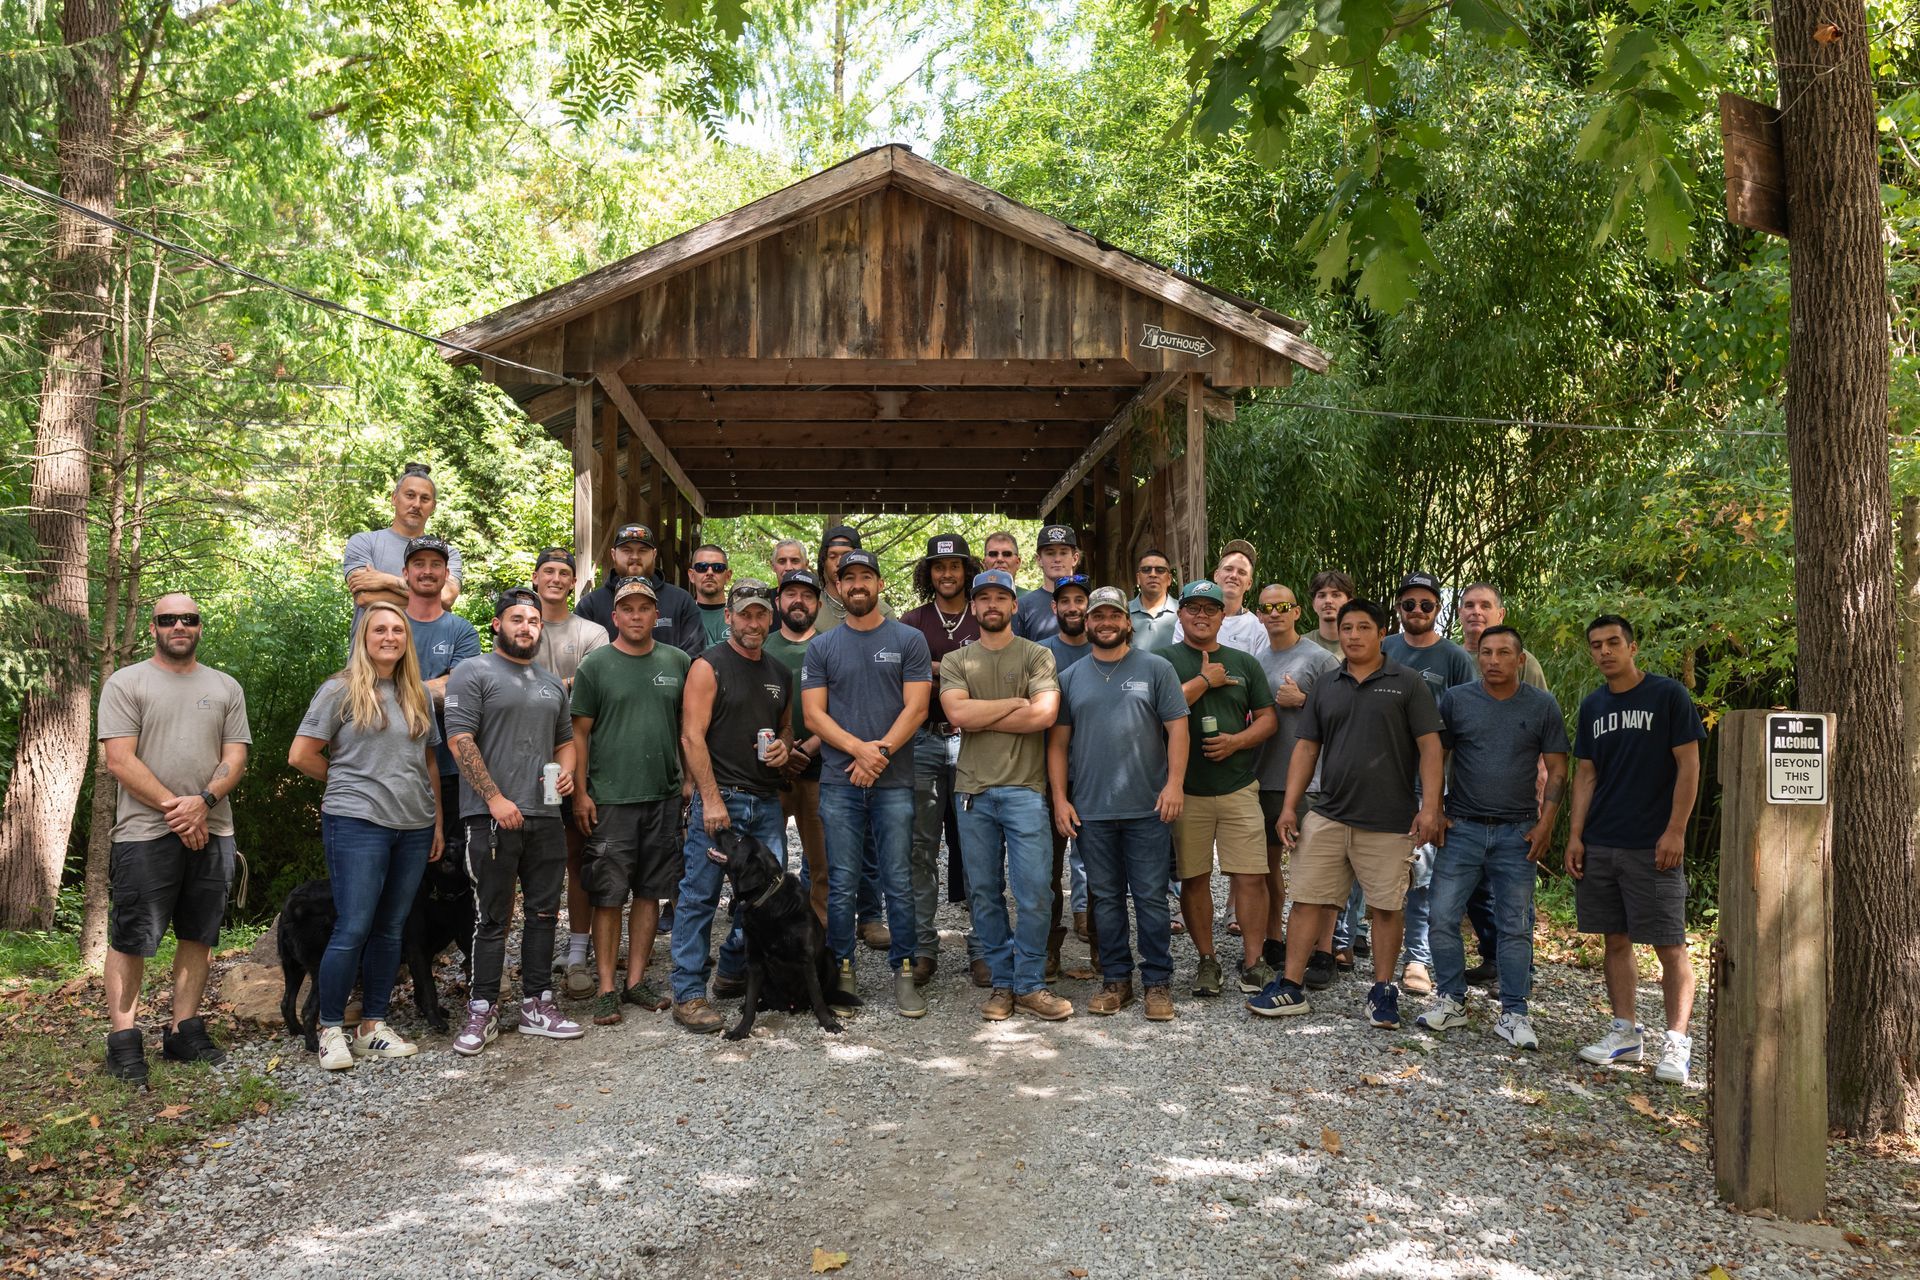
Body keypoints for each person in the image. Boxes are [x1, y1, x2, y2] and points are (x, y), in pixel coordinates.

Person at [1251, 599, 1444, 1031]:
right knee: (1307, 900)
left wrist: (1430, 807)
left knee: (1385, 907)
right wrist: (1288, 807)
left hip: (1389, 820)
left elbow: (1431, 747)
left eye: (1363, 627)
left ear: (1381, 633)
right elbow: (1306, 747)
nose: (1354, 635)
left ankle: (1382, 991)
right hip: (1328, 812)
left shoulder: (1408, 683)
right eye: (1347, 627)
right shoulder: (1326, 683)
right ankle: (1291, 985)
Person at [98, 594, 251, 1084]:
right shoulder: (127, 682)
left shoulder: (225, 686)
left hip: (214, 826)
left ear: (200, 627)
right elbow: (119, 760)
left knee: (198, 932)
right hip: (145, 833)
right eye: (168, 619)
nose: (179, 625)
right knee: (133, 936)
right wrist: (179, 809)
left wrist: (202, 802)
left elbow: (235, 757)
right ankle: (123, 1041)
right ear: (153, 628)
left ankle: (183, 1030)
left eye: (189, 618)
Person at [289, 602, 444, 1069]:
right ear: (364, 637)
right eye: (380, 629)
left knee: (391, 927)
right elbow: (302, 754)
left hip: (413, 825)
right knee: (353, 925)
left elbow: (430, 762)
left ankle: (373, 1025)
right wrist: (346, 780)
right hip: (357, 822)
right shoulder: (340, 690)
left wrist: (436, 821)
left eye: (398, 629)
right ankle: (330, 1028)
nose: (390, 636)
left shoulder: (415, 693)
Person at [444, 588, 584, 1055]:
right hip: (491, 817)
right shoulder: (474, 671)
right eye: (517, 619)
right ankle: (482, 1010)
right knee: (492, 917)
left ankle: (537, 1005)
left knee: (545, 914)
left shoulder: (549, 683)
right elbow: (460, 740)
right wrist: (495, 799)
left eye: (534, 621)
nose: (526, 627)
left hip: (545, 814)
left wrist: (566, 770)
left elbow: (565, 740)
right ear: (497, 625)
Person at [1415, 625, 1569, 1049]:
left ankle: (1515, 1013)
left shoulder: (1541, 705)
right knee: (1443, 915)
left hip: (1517, 832)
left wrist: (1547, 823)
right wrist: (1435, 808)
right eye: (1486, 652)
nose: (1493, 660)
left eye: (1504, 653)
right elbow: (1436, 755)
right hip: (1462, 827)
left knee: (1515, 925)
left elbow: (1558, 769)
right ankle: (1451, 1000)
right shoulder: (1458, 699)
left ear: (1520, 660)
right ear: (1477, 656)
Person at [1566, 614, 1705, 1085]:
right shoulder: (1592, 706)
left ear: (1632, 647)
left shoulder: (1667, 696)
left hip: (1653, 842)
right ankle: (1625, 1031)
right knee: (1615, 938)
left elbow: (1688, 766)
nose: (1604, 651)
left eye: (1613, 643)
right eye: (1596, 645)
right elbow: (1586, 775)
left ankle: (1677, 1042)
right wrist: (1575, 834)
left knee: (1670, 945)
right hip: (1603, 840)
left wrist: (1676, 830)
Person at [801, 549, 932, 1018]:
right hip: (840, 781)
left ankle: (904, 972)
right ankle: (842, 971)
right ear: (836, 588)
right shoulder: (822, 646)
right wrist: (860, 751)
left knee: (898, 879)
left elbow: (916, 708)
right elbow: (814, 713)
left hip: (893, 781)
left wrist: (878, 755)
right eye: (847, 578)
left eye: (865, 577)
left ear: (879, 584)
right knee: (841, 882)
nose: (857, 585)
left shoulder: (909, 639)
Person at [1049, 586, 1187, 1021]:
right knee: (1103, 898)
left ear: (1127, 621)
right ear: (1086, 623)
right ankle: (1116, 980)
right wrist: (1059, 799)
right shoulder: (1070, 677)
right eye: (1097, 616)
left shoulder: (1156, 668)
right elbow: (1057, 745)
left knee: (1149, 896)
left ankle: (1158, 983)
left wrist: (1175, 786)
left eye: (1113, 615)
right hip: (1091, 809)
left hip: (1148, 807)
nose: (1105, 622)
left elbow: (1178, 731)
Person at [940, 569, 1066, 1020]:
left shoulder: (1037, 655)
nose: (992, 605)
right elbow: (955, 712)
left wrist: (981, 715)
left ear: (1015, 605)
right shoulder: (958, 660)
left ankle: (1030, 983)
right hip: (972, 791)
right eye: (983, 598)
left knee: (1035, 892)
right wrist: (1015, 704)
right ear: (973, 607)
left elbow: (1044, 715)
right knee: (984, 892)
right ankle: (1002, 983)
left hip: (1026, 791)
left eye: (1001, 597)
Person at [670, 581, 795, 1034]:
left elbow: (784, 730)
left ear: (771, 618)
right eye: (745, 615)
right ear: (729, 616)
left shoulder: (780, 672)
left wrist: (783, 748)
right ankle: (687, 992)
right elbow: (691, 737)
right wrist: (710, 798)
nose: (753, 623)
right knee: (700, 895)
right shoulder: (708, 666)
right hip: (721, 800)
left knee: (766, 898)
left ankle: (732, 970)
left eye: (761, 614)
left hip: (765, 801)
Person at [571, 578, 691, 1026]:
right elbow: (578, 733)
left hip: (662, 796)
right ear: (615, 616)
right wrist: (581, 792)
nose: (637, 615)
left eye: (645, 608)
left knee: (650, 893)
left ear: (655, 615)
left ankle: (635, 980)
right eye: (628, 608)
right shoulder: (595, 666)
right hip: (610, 799)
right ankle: (606, 987)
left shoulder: (677, 661)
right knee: (607, 894)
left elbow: (687, 726)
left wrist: (689, 779)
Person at [1156, 580, 1276, 997]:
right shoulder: (1162, 661)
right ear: (1181, 614)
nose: (1202, 615)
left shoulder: (1245, 662)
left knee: (1251, 876)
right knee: (1194, 876)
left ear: (1223, 616)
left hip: (1238, 785)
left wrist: (1237, 742)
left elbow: (1267, 718)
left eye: (1211, 608)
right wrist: (1205, 681)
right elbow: (1152, 713)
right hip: (1186, 789)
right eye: (1193, 608)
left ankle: (1253, 960)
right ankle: (1207, 960)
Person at [1382, 571, 1481, 997]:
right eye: (1409, 604)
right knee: (1365, 863)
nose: (1417, 611)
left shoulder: (1455, 657)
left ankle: (1417, 959)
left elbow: (1464, 719)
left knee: (1422, 871)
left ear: (1438, 609)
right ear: (1399, 608)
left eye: (1426, 604)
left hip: (1429, 779)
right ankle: (1343, 943)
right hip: (1380, 773)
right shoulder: (1384, 647)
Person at [900, 535, 981, 986]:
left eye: (954, 566)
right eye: (938, 567)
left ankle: (983, 949)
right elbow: (904, 676)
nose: (946, 574)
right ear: (928, 573)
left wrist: (934, 667)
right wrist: (959, 666)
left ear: (966, 569)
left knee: (978, 849)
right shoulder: (912, 622)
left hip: (975, 741)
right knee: (921, 849)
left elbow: (995, 669)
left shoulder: (985, 613)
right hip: (924, 741)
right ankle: (923, 949)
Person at [1249, 583, 1339, 991]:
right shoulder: (1256, 658)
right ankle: (1274, 939)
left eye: (1282, 606)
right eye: (1267, 608)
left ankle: (1323, 950)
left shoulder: (1321, 659)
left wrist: (1302, 701)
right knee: (1266, 867)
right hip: (1266, 775)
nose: (1274, 613)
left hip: (1313, 781)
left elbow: (1344, 716)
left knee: (1316, 870)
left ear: (1297, 611)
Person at [530, 546, 609, 998]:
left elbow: (594, 686)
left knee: (579, 855)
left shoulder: (592, 632)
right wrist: (564, 683)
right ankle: (534, 957)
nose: (557, 578)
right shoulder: (522, 623)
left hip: (583, 758)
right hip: (526, 762)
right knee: (539, 861)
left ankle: (578, 953)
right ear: (536, 578)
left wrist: (538, 684)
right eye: (549, 571)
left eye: (565, 572)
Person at [399, 537, 480, 878]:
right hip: (393, 769)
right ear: (405, 572)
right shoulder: (386, 624)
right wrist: (432, 686)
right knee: (401, 872)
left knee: (449, 873)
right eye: (419, 564)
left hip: (448, 771)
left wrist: (395, 689)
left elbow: (458, 693)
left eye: (436, 565)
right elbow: (361, 688)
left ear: (447, 574)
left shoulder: (460, 630)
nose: (427, 571)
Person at [765, 568, 830, 924]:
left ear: (818, 603)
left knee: (823, 866)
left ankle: (820, 940)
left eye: (807, 595)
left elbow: (845, 707)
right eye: (790, 594)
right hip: (772, 769)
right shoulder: (763, 645)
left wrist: (809, 749)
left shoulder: (832, 644)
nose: (798, 601)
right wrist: (783, 750)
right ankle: (775, 933)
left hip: (822, 768)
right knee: (769, 863)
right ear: (778, 602)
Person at [1039, 575, 1095, 968]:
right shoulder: (1039, 654)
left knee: (1102, 868)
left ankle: (1102, 950)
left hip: (1099, 776)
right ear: (1053, 608)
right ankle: (1049, 949)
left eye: (1081, 600)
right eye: (1066, 601)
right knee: (1046, 869)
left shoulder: (1111, 650)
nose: (1073, 607)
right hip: (1047, 775)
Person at [342, 463, 463, 631]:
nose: (416, 504)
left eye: (425, 499)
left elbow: (446, 598)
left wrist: (386, 580)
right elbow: (364, 597)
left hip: (426, 655)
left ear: (433, 507)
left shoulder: (448, 553)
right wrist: (428, 598)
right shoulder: (364, 542)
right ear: (394, 498)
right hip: (370, 656)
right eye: (410, 495)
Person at [575, 523, 704, 657]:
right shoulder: (590, 605)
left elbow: (694, 657)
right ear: (613, 554)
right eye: (627, 550)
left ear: (654, 554)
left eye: (642, 550)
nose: (635, 557)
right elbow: (579, 660)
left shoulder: (681, 601)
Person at [1173, 541, 1266, 654]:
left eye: (1241, 572)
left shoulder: (1258, 629)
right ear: (1216, 575)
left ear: (1249, 584)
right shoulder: (1191, 618)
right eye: (1228, 569)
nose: (1233, 576)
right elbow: (1178, 662)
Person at [1458, 583, 1547, 689]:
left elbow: (1539, 704)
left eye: (1485, 606)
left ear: (1500, 615)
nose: (1476, 611)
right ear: (1460, 613)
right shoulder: (1449, 657)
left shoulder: (1523, 662)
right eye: (1469, 605)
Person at [815, 525, 896, 632]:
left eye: (846, 555)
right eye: (832, 556)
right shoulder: (809, 607)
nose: (839, 563)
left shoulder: (883, 612)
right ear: (823, 561)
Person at [1013, 524, 1081, 641]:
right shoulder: (1023, 606)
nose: (1057, 559)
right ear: (1039, 559)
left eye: (1063, 553)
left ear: (1075, 558)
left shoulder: (1091, 602)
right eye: (1050, 553)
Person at [1128, 548, 1180, 654]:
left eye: (1160, 570)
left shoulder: (1183, 612)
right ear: (1138, 578)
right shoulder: (1122, 612)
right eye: (1146, 569)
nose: (1153, 574)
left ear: (1169, 579)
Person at [688, 543, 733, 646]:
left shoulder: (740, 616)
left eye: (718, 567)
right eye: (701, 567)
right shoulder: (683, 617)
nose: (709, 572)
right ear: (692, 575)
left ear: (728, 576)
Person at [1305, 569, 1355, 656]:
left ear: (1349, 603)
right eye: (1322, 595)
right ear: (1313, 605)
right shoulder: (1301, 645)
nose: (1328, 601)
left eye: (1335, 595)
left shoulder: (1363, 644)